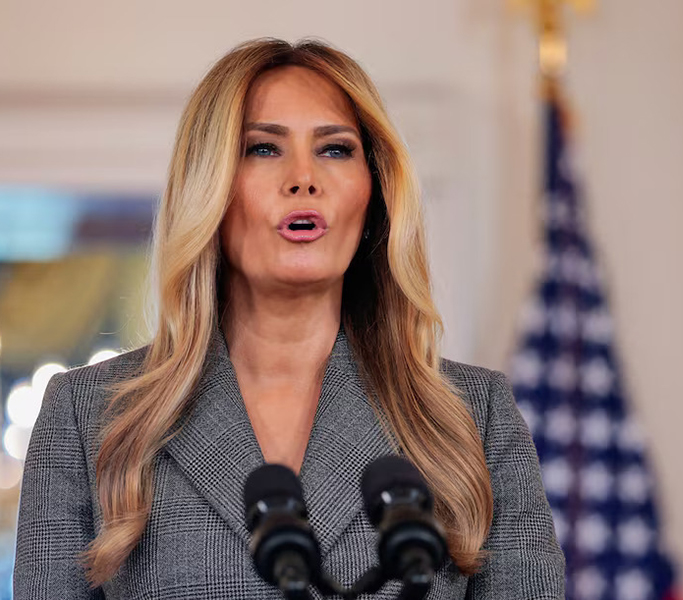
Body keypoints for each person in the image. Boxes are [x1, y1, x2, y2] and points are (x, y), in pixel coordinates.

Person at [13, 38, 565, 599]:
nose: (304, 178)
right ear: (209, 188)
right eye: (263, 148)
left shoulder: (474, 417)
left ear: (374, 193)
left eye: (335, 149)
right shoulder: (88, 418)